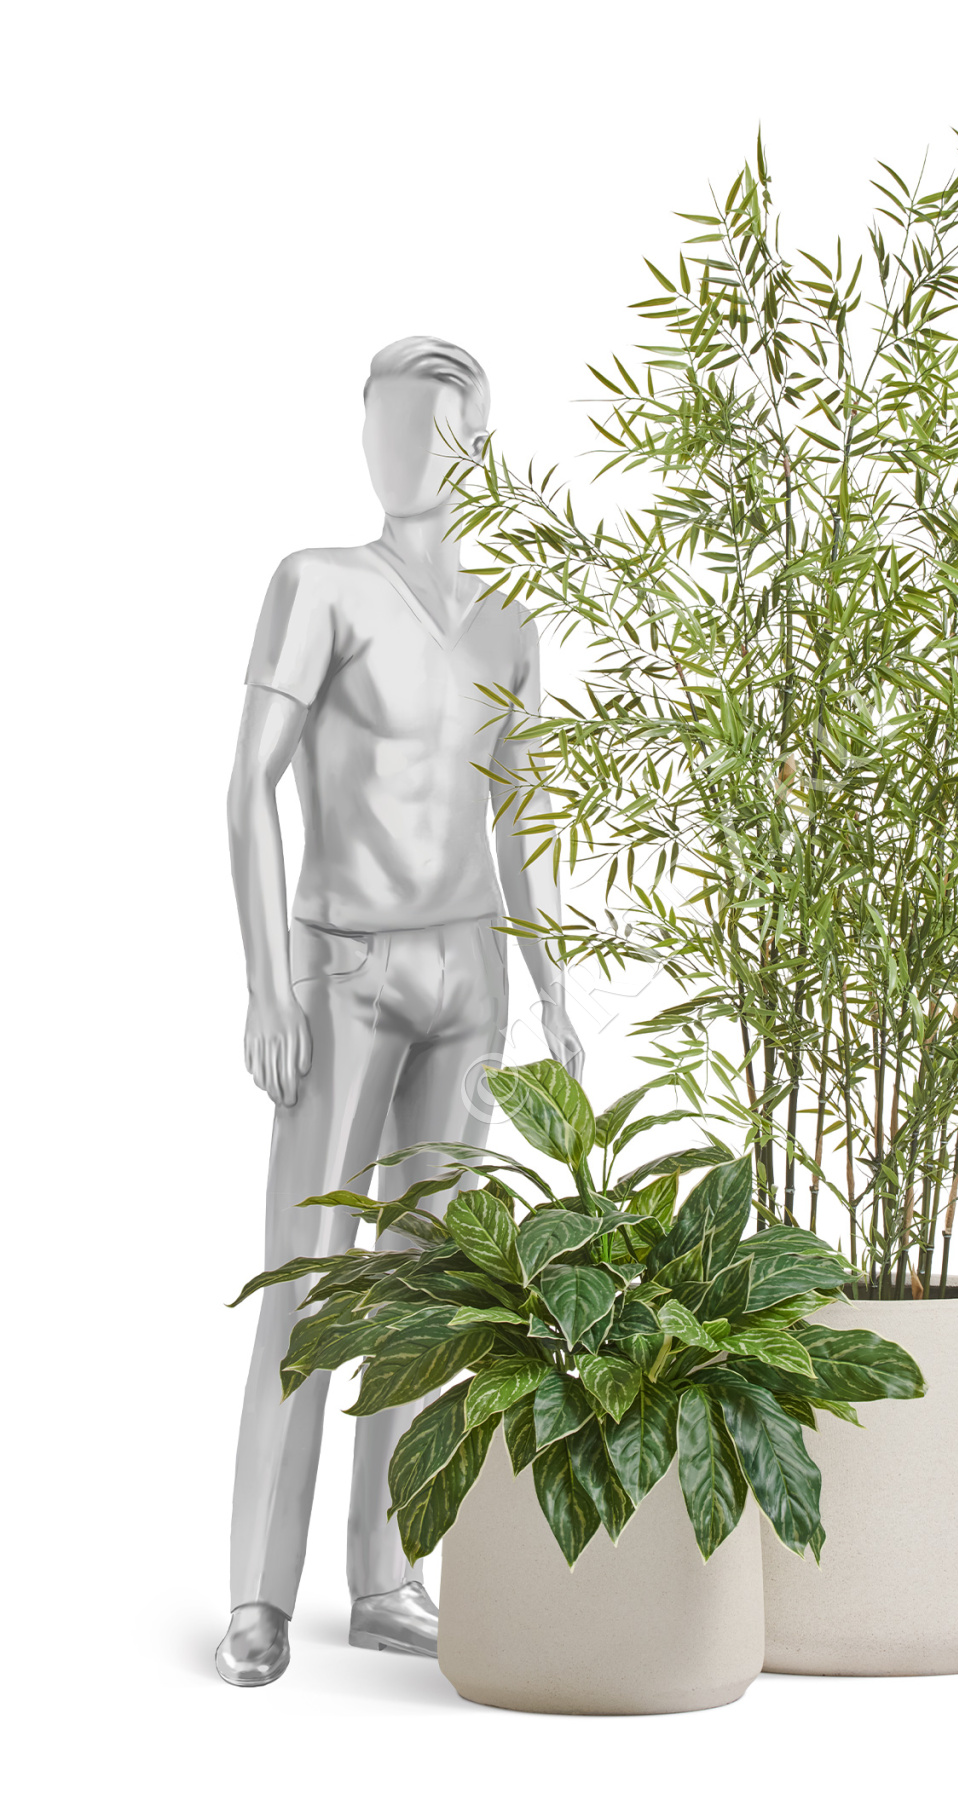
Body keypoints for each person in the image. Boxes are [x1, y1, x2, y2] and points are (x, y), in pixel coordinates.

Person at [216, 337, 582, 1687]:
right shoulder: (319, 585)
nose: (396, 452)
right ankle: (259, 1597)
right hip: (346, 966)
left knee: (428, 1287)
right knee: (307, 1280)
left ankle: (385, 1577)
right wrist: (267, 980)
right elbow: (248, 787)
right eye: (381, 424)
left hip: (467, 972)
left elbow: (523, 811)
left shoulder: (510, 619)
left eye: (424, 430)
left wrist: (552, 982)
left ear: (471, 448)